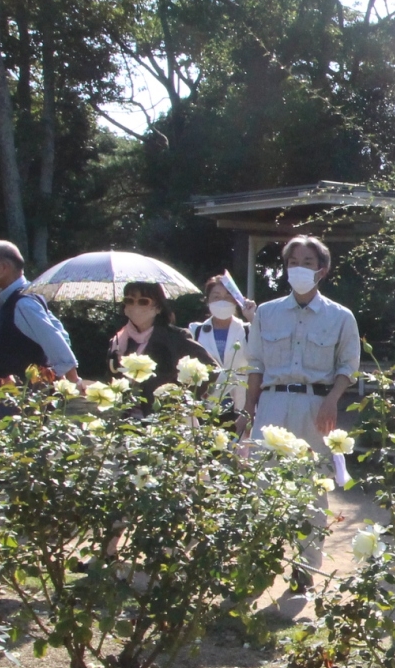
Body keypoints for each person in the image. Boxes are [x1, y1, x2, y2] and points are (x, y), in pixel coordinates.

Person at [241, 236, 362, 587]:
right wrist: (248, 411)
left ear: (321, 270)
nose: (298, 268)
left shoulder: (340, 316)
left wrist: (332, 399)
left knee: (311, 489)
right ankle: (261, 566)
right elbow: (255, 365)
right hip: (272, 403)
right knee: (263, 486)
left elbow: (348, 366)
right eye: (293, 262)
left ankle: (305, 570)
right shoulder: (266, 313)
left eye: (307, 262)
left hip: (315, 406)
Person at [0, 240, 79, 385]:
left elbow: (54, 339)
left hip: (25, 392)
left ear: (4, 267)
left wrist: (73, 380)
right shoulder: (27, 295)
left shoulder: (23, 303)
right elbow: (62, 335)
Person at [108, 280, 213, 401]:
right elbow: (111, 378)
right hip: (126, 410)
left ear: (158, 308)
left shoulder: (176, 337)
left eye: (143, 301)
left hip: (164, 410)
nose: (135, 306)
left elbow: (211, 369)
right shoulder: (119, 340)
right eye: (129, 301)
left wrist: (184, 397)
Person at [190, 276, 253, 413]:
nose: (222, 301)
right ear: (207, 301)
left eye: (227, 297)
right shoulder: (195, 331)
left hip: (241, 404)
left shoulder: (248, 329)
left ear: (236, 300)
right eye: (216, 297)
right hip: (205, 404)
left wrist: (252, 317)